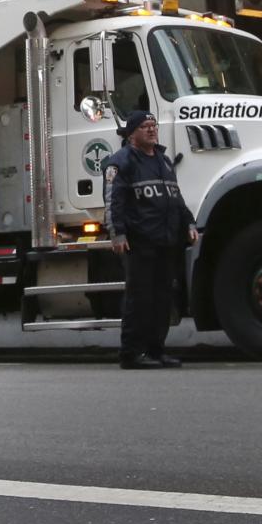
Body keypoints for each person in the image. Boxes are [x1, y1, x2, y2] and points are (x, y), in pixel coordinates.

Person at [107, 109, 195, 370]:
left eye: (153, 125)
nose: (152, 129)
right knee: (139, 298)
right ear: (132, 133)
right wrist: (117, 233)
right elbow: (114, 201)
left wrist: (188, 222)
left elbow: (175, 197)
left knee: (162, 299)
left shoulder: (164, 161)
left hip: (166, 241)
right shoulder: (121, 162)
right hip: (140, 241)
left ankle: (156, 351)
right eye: (145, 126)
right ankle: (131, 353)